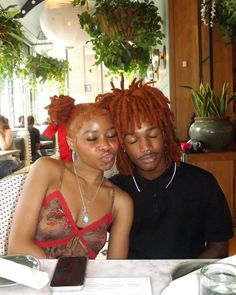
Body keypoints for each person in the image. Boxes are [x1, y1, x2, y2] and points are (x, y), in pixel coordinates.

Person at [96, 76, 233, 259]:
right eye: (133, 140)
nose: (145, 148)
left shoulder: (202, 183)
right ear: (122, 146)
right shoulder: (113, 190)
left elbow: (219, 247)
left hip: (187, 280)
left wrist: (181, 278)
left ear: (165, 134)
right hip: (135, 282)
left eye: (152, 135)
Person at [8, 95, 133, 259]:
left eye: (111, 135)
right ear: (71, 142)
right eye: (92, 138)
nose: (106, 145)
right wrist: (62, 278)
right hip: (33, 281)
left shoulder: (120, 202)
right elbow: (18, 246)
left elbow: (116, 269)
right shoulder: (47, 170)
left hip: (84, 284)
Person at [43, 95, 72, 162]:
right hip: (64, 156)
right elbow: (48, 134)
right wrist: (53, 122)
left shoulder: (74, 121)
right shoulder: (58, 123)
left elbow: (48, 134)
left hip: (73, 155)